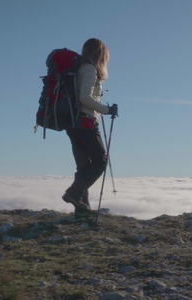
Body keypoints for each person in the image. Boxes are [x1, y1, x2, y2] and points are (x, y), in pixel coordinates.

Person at [62, 38, 118, 218]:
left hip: (72, 123)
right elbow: (85, 97)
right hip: (85, 121)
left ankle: (82, 209)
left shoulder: (78, 69)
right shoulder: (90, 69)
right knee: (101, 161)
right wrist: (107, 110)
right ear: (100, 54)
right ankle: (74, 193)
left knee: (84, 166)